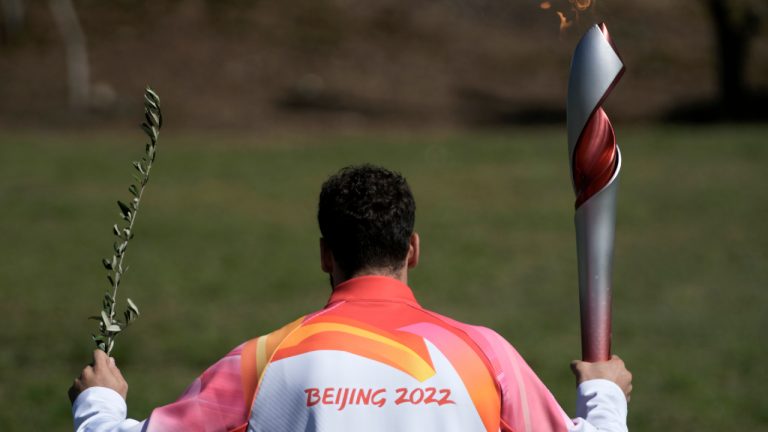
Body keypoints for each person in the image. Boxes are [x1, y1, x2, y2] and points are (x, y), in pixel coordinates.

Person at [70, 164, 632, 432]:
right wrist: (603, 393)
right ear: (413, 249)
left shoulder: (261, 362)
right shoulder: (487, 359)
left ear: (325, 254)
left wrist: (100, 402)